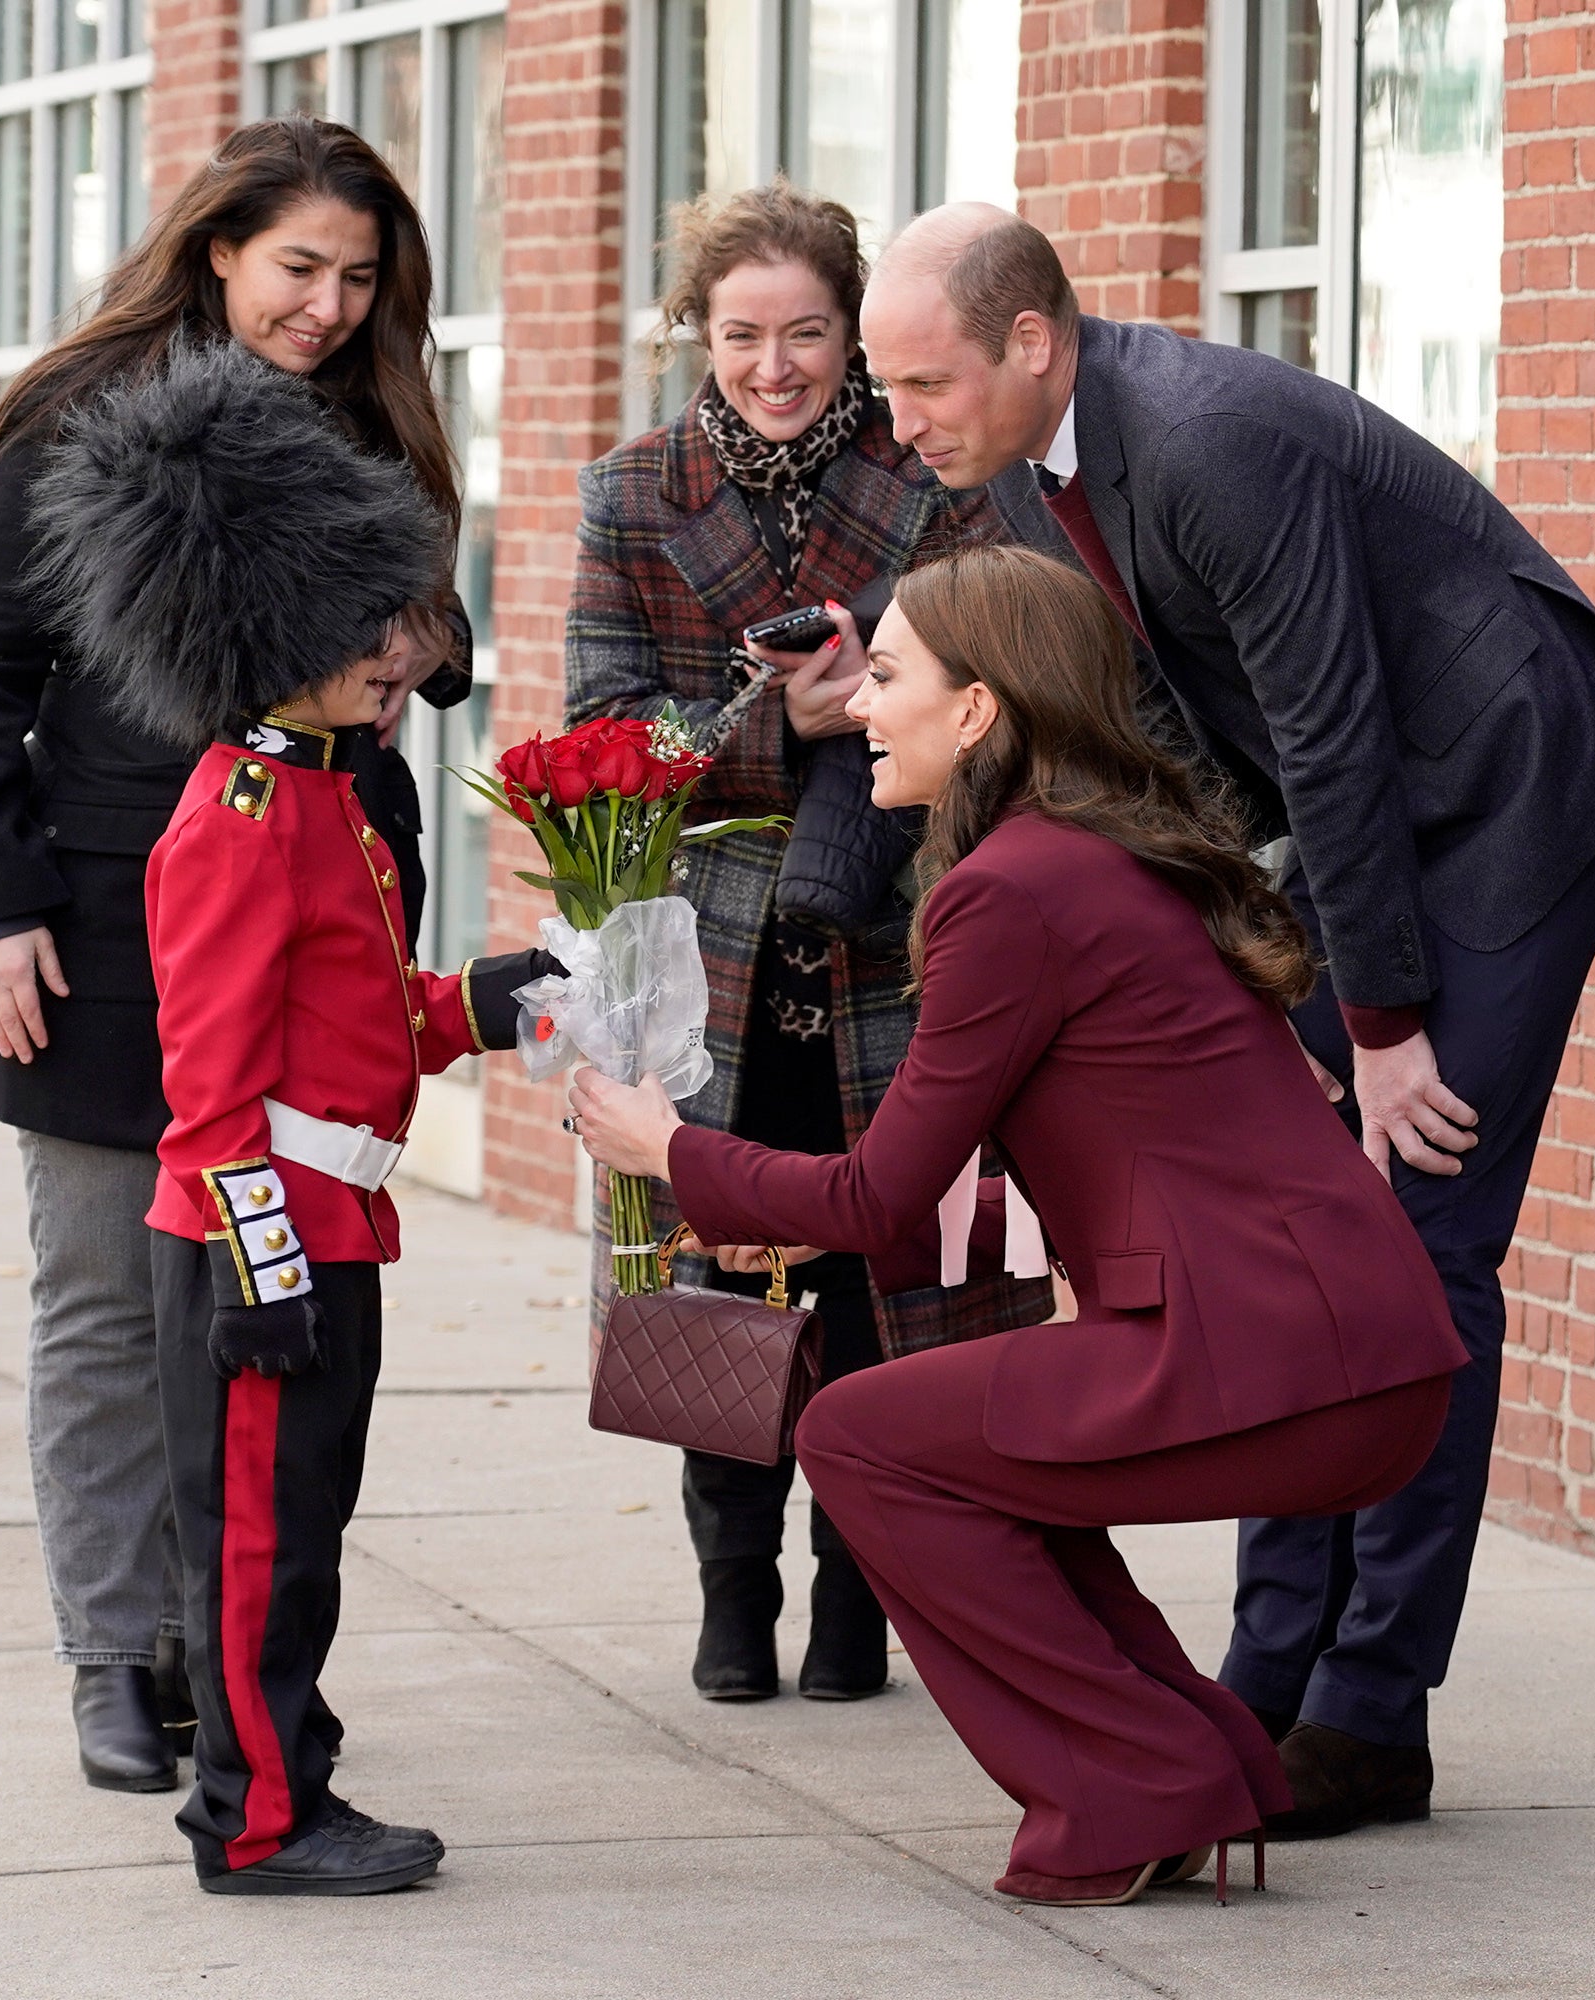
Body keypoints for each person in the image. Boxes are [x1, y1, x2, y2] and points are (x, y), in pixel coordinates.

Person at [852, 204, 1595, 1836]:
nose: (901, 425)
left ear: (1028, 341)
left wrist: (1379, 1023)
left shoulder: (1214, 443)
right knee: (1284, 1245)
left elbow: (1335, 731)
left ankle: (1372, 1716)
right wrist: (1216, 948)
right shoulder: (1015, 478)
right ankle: (1271, 1669)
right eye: (889, 390)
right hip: (1349, 811)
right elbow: (1151, 730)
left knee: (1418, 1238)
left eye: (922, 382)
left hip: (1505, 778)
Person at [571, 544, 1468, 1904]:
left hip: (1275, 1360)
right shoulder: (1092, 857)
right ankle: (1190, 1765)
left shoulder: (1010, 890)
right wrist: (784, 1219)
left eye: (885, 677)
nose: (858, 706)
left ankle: (1140, 1785)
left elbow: (878, 1190)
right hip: (1348, 1353)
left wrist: (675, 1151)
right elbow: (1100, 1165)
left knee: (860, 1435)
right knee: (960, 1442)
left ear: (978, 710)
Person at [0, 116, 470, 1795]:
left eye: (358, 277)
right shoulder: (81, 421)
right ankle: (116, 1654)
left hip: (315, 927)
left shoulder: (366, 418)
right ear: (218, 247)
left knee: (257, 1307)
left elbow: (435, 672)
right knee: (102, 1300)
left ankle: (214, 1657)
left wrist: (419, 615)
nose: (324, 304)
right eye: (298, 265)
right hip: (98, 930)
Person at [27, 338, 554, 1896]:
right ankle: (253, 1823)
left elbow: (364, 1016)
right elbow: (211, 1084)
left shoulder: (320, 789)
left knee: (302, 1534)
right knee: (256, 1546)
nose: (398, 653)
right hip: (268, 1239)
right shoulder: (243, 813)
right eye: (367, 629)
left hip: (330, 1223)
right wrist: (259, 1263)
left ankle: (289, 1766)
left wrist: (492, 996)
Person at [564, 181, 1055, 1705]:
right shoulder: (634, 490)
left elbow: (1017, 694)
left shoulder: (936, 471)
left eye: (808, 334)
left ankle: (863, 1599)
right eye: (740, 335)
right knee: (714, 1264)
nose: (775, 366)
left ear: (853, 331)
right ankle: (732, 1588)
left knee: (883, 1279)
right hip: (713, 962)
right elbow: (602, 736)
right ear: (694, 334)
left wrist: (897, 709)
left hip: (905, 935)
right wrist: (768, 721)